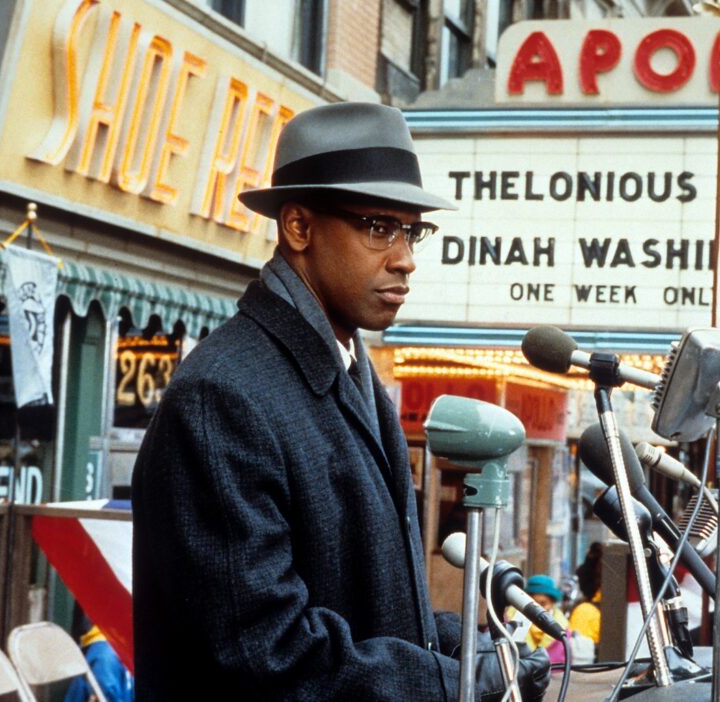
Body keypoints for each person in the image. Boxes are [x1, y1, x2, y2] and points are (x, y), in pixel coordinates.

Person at [132, 103, 550, 701]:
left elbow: (367, 603)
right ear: (298, 227)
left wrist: (466, 647)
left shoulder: (348, 371)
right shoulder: (222, 398)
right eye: (379, 226)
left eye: (413, 230)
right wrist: (446, 682)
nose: (405, 256)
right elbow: (265, 653)